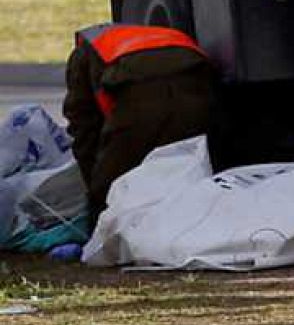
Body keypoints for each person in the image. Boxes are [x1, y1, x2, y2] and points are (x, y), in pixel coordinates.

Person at [62, 23, 215, 225]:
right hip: (196, 79)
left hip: (140, 91)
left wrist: (94, 183)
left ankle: (103, 239)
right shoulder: (146, 34)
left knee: (110, 189)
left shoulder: (84, 52)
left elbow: (83, 125)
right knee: (191, 174)